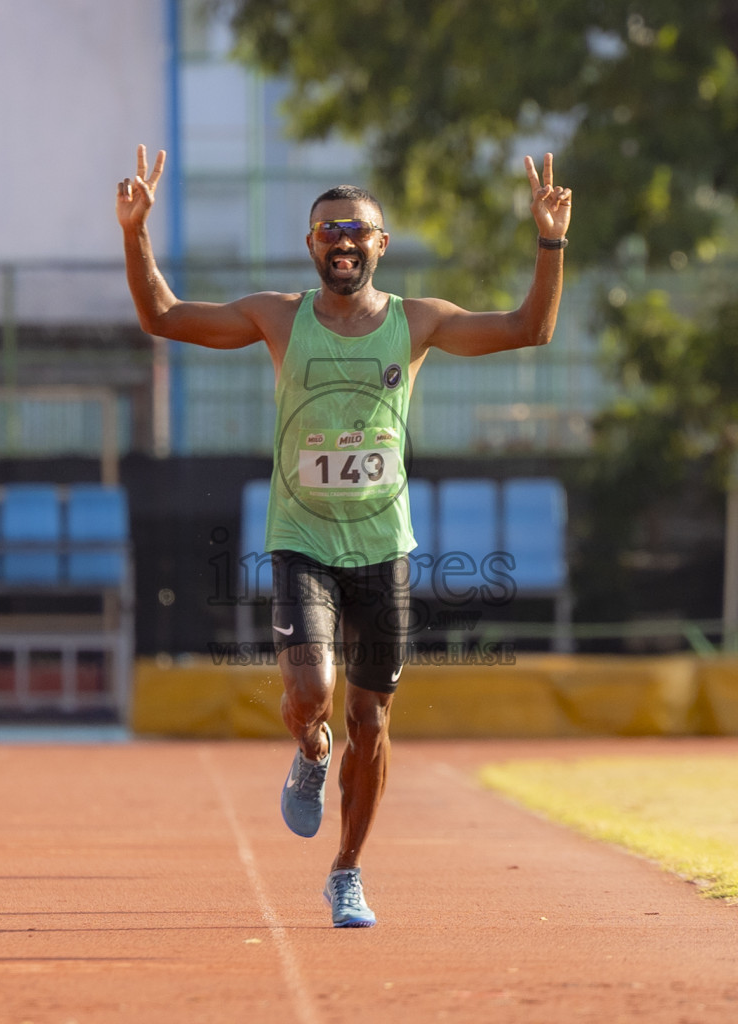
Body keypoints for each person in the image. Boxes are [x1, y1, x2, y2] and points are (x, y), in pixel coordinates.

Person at [116, 144, 571, 927]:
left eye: (358, 229)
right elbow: (163, 316)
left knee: (372, 721)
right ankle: (308, 753)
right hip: (302, 540)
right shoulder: (278, 318)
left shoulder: (416, 322)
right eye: (329, 231)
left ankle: (347, 871)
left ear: (381, 245)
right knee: (311, 698)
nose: (344, 241)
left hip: (383, 547)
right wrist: (135, 232)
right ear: (312, 246)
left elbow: (530, 330)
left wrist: (550, 241)